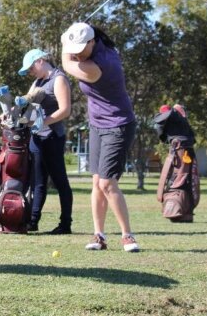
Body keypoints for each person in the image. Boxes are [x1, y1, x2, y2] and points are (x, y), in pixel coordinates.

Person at [60, 22, 139, 252]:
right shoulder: (96, 43)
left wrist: (65, 44)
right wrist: (74, 33)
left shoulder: (100, 65)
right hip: (97, 125)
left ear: (92, 42)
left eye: (80, 48)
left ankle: (127, 236)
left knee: (107, 182)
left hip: (119, 124)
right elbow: (78, 45)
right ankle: (99, 236)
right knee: (96, 181)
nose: (76, 53)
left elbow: (67, 64)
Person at [17, 49, 73, 234]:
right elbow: (25, 103)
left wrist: (43, 122)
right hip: (37, 138)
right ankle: (32, 222)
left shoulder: (59, 79)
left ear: (40, 61)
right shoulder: (37, 82)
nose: (30, 72)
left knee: (60, 181)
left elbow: (65, 110)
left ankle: (65, 224)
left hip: (52, 137)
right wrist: (8, 112)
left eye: (31, 68)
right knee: (38, 182)